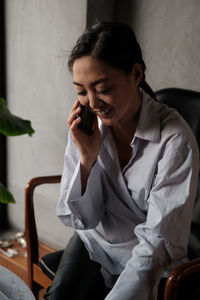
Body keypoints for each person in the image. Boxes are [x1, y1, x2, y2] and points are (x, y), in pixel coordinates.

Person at [45, 22, 199, 300]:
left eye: (102, 88)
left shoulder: (175, 139)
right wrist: (86, 158)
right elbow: (81, 219)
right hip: (97, 241)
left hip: (149, 253)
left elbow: (157, 244)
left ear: (136, 73)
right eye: (81, 90)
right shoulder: (86, 126)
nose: (92, 102)